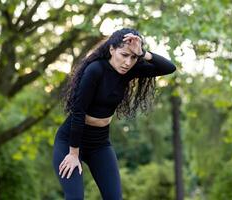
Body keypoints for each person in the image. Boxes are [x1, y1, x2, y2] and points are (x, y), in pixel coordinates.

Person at [52, 27, 176, 200]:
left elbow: (169, 67)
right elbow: (78, 112)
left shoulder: (130, 70)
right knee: (75, 198)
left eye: (133, 57)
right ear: (111, 49)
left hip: (99, 143)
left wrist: (142, 53)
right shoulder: (95, 70)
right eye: (124, 55)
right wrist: (73, 154)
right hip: (70, 141)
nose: (127, 62)